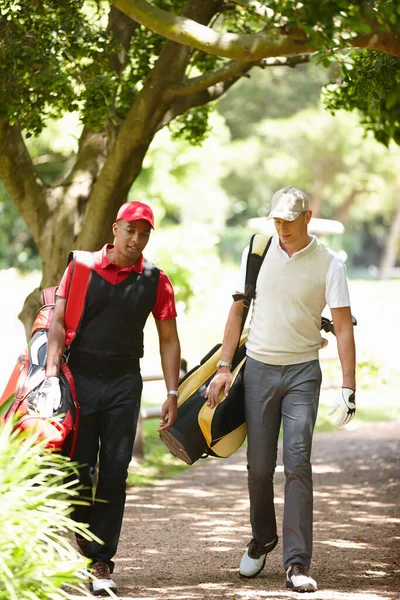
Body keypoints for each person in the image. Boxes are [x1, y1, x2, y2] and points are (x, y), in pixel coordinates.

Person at [206, 186, 356, 593]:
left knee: (297, 464)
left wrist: (348, 387)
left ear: (307, 217)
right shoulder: (256, 252)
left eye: (290, 221)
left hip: (303, 373)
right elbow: (237, 309)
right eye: (277, 221)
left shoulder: (329, 264)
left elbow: (342, 326)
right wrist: (222, 367)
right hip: (258, 370)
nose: (282, 228)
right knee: (258, 468)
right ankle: (263, 538)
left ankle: (296, 562)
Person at [42, 201, 181, 596]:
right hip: (80, 378)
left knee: (116, 471)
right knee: (78, 470)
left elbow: (168, 339)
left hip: (124, 382)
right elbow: (57, 323)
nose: (136, 239)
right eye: (130, 230)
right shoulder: (82, 268)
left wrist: (171, 392)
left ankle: (101, 560)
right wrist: (52, 376)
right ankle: (86, 540)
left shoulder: (156, 280)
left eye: (144, 233)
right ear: (115, 229)